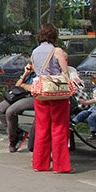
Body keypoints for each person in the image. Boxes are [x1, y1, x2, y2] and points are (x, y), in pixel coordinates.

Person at [30, 23, 77, 174]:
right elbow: (65, 72)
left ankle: (40, 163)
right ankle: (60, 165)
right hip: (57, 93)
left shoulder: (35, 52)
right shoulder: (57, 51)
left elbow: (35, 69)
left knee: (42, 128)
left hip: (41, 92)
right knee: (59, 128)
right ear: (54, 36)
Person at [0, 62, 36, 152]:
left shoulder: (41, 74)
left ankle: (13, 140)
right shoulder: (29, 74)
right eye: (30, 63)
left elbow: (34, 88)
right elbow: (17, 86)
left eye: (33, 63)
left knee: (10, 111)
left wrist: (24, 85)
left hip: (32, 97)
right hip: (20, 95)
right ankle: (17, 132)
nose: (31, 65)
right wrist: (25, 74)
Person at [73, 72, 96, 139]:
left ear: (93, 82)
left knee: (91, 117)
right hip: (95, 108)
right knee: (84, 113)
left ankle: (93, 132)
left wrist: (85, 102)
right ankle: (73, 122)